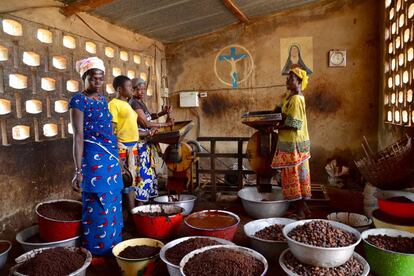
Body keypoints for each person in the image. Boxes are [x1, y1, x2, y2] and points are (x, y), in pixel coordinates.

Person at [70, 57, 123, 257]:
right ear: (84, 78)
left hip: (110, 155)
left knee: (114, 200)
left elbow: (109, 131)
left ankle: (114, 247)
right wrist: (78, 170)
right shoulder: (78, 100)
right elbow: (78, 135)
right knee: (96, 201)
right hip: (93, 156)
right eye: (93, 78)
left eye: (101, 79)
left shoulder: (102, 100)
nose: (98, 82)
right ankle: (96, 252)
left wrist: (118, 158)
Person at [272, 66, 312, 218]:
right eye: (287, 78)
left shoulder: (296, 99)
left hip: (294, 144)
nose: (287, 80)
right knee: (297, 175)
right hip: (293, 143)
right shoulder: (289, 97)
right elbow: (278, 111)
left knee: (294, 176)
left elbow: (294, 124)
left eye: (291, 78)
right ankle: (303, 207)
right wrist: (280, 103)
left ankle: (300, 210)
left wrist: (275, 127)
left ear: (299, 81)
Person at [129, 77, 173, 202]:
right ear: (133, 90)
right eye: (139, 89)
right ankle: (140, 202)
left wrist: (162, 113)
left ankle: (145, 200)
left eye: (143, 89)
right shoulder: (134, 103)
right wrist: (166, 124)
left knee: (148, 172)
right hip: (140, 144)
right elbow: (145, 123)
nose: (142, 92)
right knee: (142, 173)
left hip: (146, 144)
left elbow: (149, 117)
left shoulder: (140, 102)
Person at [108, 75, 140, 213]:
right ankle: (125, 214)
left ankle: (133, 213)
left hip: (133, 148)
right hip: (122, 148)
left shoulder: (127, 104)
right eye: (129, 87)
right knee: (123, 181)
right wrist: (115, 154)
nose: (132, 89)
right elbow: (111, 131)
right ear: (120, 89)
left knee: (132, 181)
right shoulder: (113, 104)